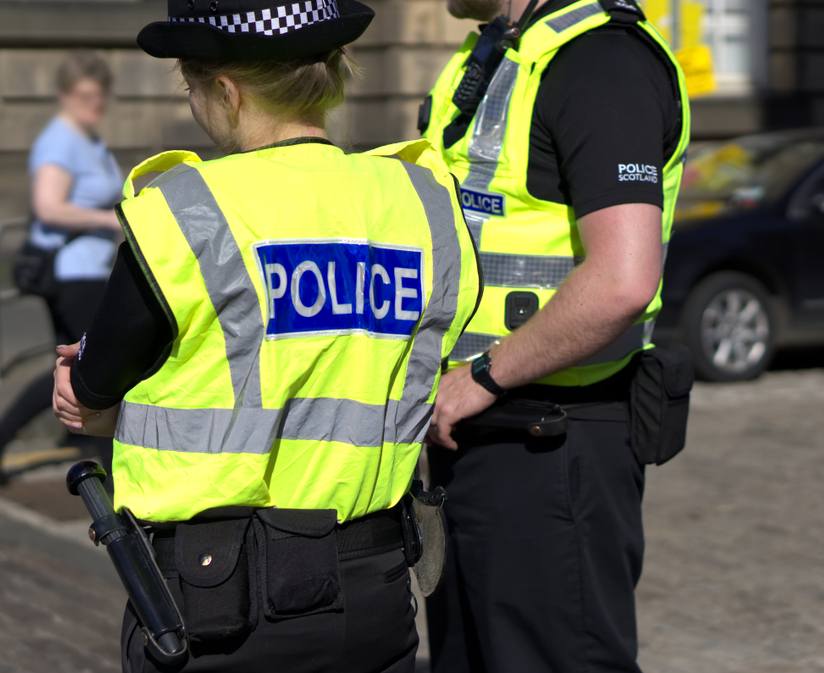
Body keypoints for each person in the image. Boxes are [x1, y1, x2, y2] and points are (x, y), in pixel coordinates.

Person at [50, 1, 482, 671]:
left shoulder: (187, 211)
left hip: (222, 605)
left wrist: (79, 391)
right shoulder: (419, 199)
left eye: (193, 87)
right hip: (376, 592)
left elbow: (94, 391)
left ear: (227, 90)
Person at [420, 0, 691, 671]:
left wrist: (482, 376)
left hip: (553, 445)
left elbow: (623, 279)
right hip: (480, 436)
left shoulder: (602, 64)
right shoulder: (497, 52)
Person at [0, 50, 121, 485]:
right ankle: (115, 478)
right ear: (65, 95)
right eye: (84, 97)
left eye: (99, 96)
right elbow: (48, 207)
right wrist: (110, 219)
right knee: (100, 366)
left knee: (71, 367)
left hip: (90, 269)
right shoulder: (60, 140)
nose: (94, 105)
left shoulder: (89, 139)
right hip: (75, 275)